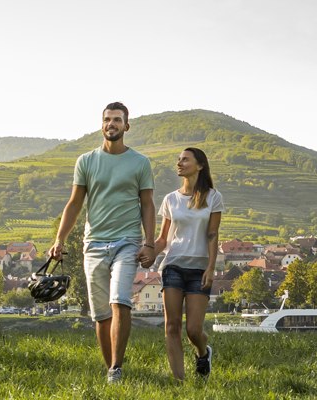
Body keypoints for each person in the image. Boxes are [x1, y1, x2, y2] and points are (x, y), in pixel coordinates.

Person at [47, 101, 157, 383]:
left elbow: (147, 205)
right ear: (102, 124)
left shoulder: (140, 163)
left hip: (127, 242)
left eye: (117, 120)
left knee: (120, 300)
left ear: (126, 126)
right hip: (93, 244)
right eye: (107, 119)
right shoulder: (86, 161)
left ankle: (117, 367)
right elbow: (74, 204)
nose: (112, 124)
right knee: (100, 314)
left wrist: (149, 243)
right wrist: (59, 239)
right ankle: (111, 368)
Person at [151, 147, 222, 380]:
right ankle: (179, 383)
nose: (179, 163)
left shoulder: (213, 197)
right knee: (172, 327)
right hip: (172, 266)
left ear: (200, 166)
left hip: (199, 269)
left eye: (185, 160)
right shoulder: (170, 199)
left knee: (193, 330)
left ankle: (203, 352)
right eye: (178, 160)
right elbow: (163, 239)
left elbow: (212, 235)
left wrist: (211, 268)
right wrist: (148, 252)